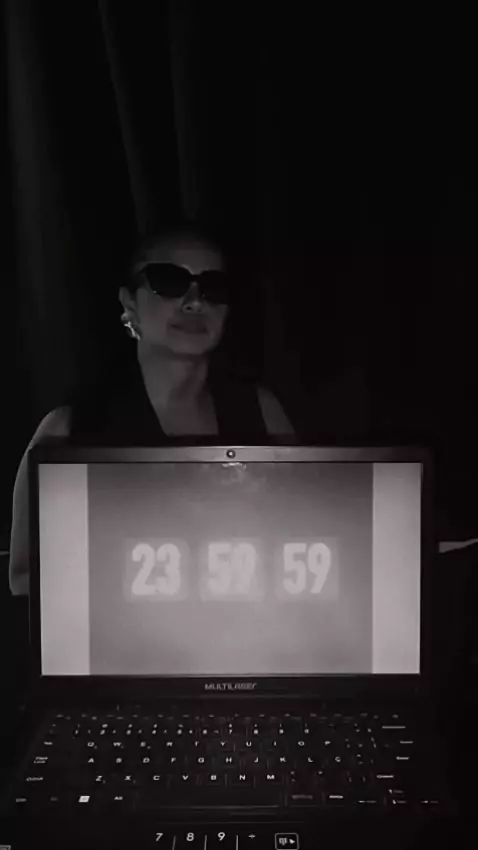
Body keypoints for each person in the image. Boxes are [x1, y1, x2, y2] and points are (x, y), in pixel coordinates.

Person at [9, 223, 297, 596]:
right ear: (129, 304)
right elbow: (24, 580)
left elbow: (300, 537)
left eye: (214, 287)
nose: (195, 301)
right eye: (169, 281)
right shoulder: (68, 430)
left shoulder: (262, 412)